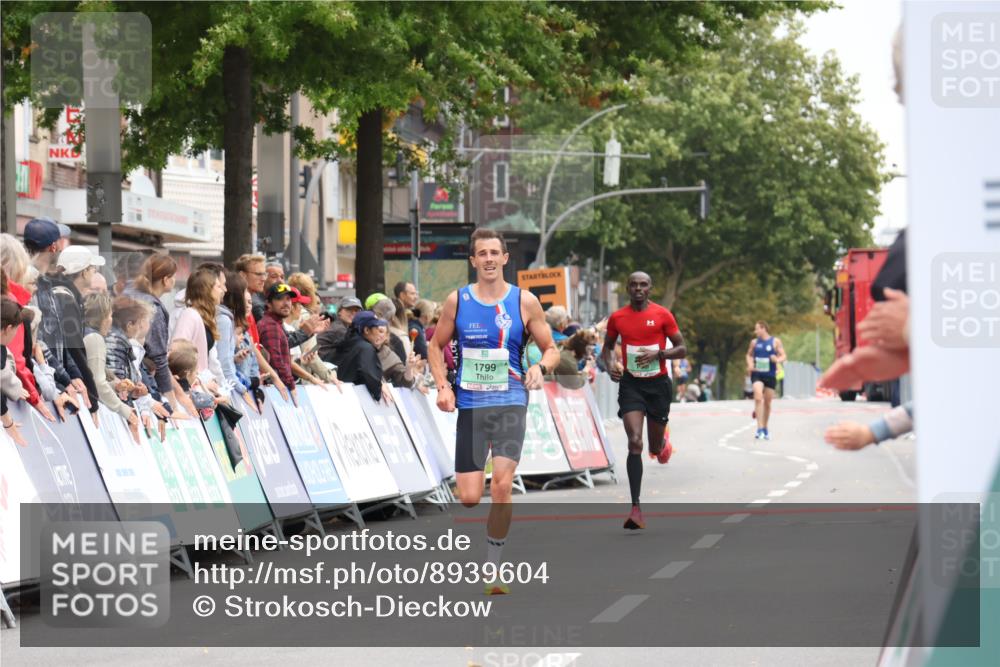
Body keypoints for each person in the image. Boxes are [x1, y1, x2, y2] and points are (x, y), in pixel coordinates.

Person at [427, 228, 558, 595]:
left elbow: (551, 349)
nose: (488, 259)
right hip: (471, 405)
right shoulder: (458, 300)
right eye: (481, 253)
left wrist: (540, 368)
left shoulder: (524, 301)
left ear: (504, 258)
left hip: (511, 401)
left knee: (501, 484)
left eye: (494, 253)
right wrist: (443, 386)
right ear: (473, 260)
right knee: (469, 497)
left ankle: (493, 568)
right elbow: (435, 346)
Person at [602, 271, 687, 530]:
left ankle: (662, 444)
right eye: (634, 285)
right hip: (632, 385)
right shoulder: (618, 317)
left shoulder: (662, 315)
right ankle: (636, 508)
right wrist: (611, 366)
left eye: (643, 285)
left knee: (654, 447)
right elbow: (607, 348)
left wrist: (659, 354)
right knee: (635, 442)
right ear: (627, 288)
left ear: (650, 288)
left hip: (658, 386)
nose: (638, 288)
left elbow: (682, 348)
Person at [82, 292, 141, 441]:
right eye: (109, 315)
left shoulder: (83, 332)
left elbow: (91, 379)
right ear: (101, 318)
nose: (111, 320)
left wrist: (115, 385)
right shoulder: (95, 339)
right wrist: (124, 409)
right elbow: (97, 383)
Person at [333, 311, 390, 402]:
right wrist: (378, 389)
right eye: (376, 328)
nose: (379, 333)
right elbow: (371, 379)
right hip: (351, 401)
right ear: (366, 330)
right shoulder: (366, 348)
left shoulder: (344, 343)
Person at [257, 282, 298, 404]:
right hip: (276, 391)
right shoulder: (270, 325)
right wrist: (291, 384)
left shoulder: (275, 323)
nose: (286, 303)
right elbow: (276, 361)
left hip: (276, 390)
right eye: (280, 299)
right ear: (269, 304)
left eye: (288, 299)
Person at [745, 320, 786, 440]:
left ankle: (765, 428)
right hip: (757, 373)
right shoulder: (754, 342)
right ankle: (759, 429)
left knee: (767, 403)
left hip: (770, 375)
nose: (755, 331)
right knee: (758, 397)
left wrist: (777, 360)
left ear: (763, 328)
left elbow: (784, 355)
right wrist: (750, 364)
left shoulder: (775, 341)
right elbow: (749, 355)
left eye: (757, 328)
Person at [317, 296, 362, 363]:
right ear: (339, 312)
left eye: (356, 311)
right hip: (323, 365)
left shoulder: (345, 326)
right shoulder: (338, 328)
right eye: (349, 309)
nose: (353, 313)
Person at [394, 281, 428, 361]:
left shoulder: (411, 316)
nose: (416, 297)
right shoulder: (394, 314)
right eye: (412, 294)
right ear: (402, 295)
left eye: (416, 294)